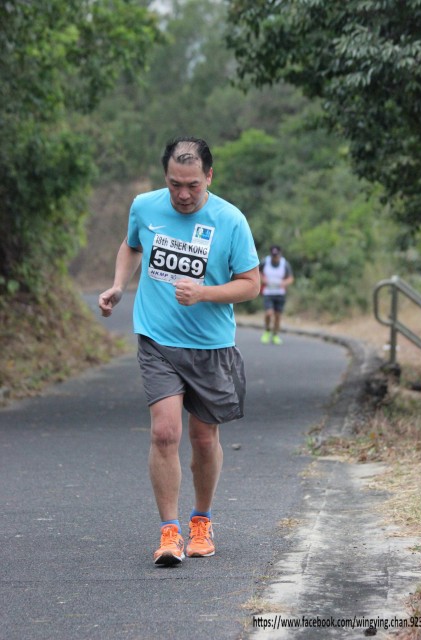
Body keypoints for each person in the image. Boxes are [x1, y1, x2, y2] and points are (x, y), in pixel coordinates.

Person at [99, 137, 260, 566]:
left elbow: (251, 284)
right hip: (158, 339)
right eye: (175, 184)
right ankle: (169, 532)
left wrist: (204, 293)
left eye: (192, 185)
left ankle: (201, 521)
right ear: (165, 178)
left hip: (211, 345)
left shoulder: (230, 220)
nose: (183, 194)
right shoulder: (145, 207)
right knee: (165, 433)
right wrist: (119, 285)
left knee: (203, 438)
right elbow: (132, 245)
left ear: (209, 176)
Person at [260, 245, 294, 345]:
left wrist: (284, 283)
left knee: (278, 316)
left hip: (280, 293)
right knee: (268, 313)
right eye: (273, 256)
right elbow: (257, 272)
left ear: (280, 255)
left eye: (276, 256)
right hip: (268, 292)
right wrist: (263, 279)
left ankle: (275, 335)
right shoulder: (265, 262)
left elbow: (290, 278)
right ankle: (267, 331)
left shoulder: (285, 264)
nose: (275, 258)